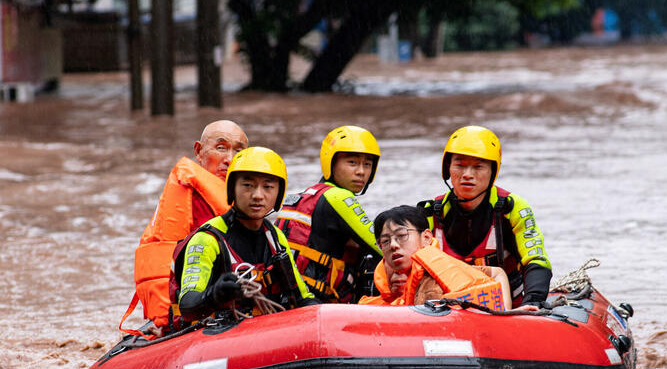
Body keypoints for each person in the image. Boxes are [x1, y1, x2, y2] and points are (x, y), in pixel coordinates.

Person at [121, 120, 249, 334]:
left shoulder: (248, 199)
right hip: (190, 310)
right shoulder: (189, 194)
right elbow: (169, 263)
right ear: (198, 151)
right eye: (220, 148)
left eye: (238, 151)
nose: (229, 159)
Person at [171, 147, 316, 324]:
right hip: (217, 335)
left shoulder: (276, 238)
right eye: (247, 185)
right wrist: (215, 294)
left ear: (279, 194)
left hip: (266, 331)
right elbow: (188, 307)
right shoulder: (208, 238)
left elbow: (302, 298)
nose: (257, 196)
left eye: (268, 187)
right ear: (232, 189)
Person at [418, 125, 552, 308]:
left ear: (492, 172)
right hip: (446, 307)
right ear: (447, 168)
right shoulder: (430, 212)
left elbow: (536, 260)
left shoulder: (512, 208)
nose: (467, 175)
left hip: (510, 305)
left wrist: (534, 301)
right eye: (460, 165)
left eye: (478, 167)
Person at [275, 125, 383, 303]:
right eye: (352, 163)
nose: (361, 172)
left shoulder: (307, 195)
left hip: (286, 298)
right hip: (317, 303)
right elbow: (381, 244)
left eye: (367, 164)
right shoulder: (338, 197)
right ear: (331, 163)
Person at [358, 205, 508, 309]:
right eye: (385, 241)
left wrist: (505, 313)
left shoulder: (445, 272)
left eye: (402, 235)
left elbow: (498, 273)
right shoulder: (385, 273)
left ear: (426, 237)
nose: (393, 245)